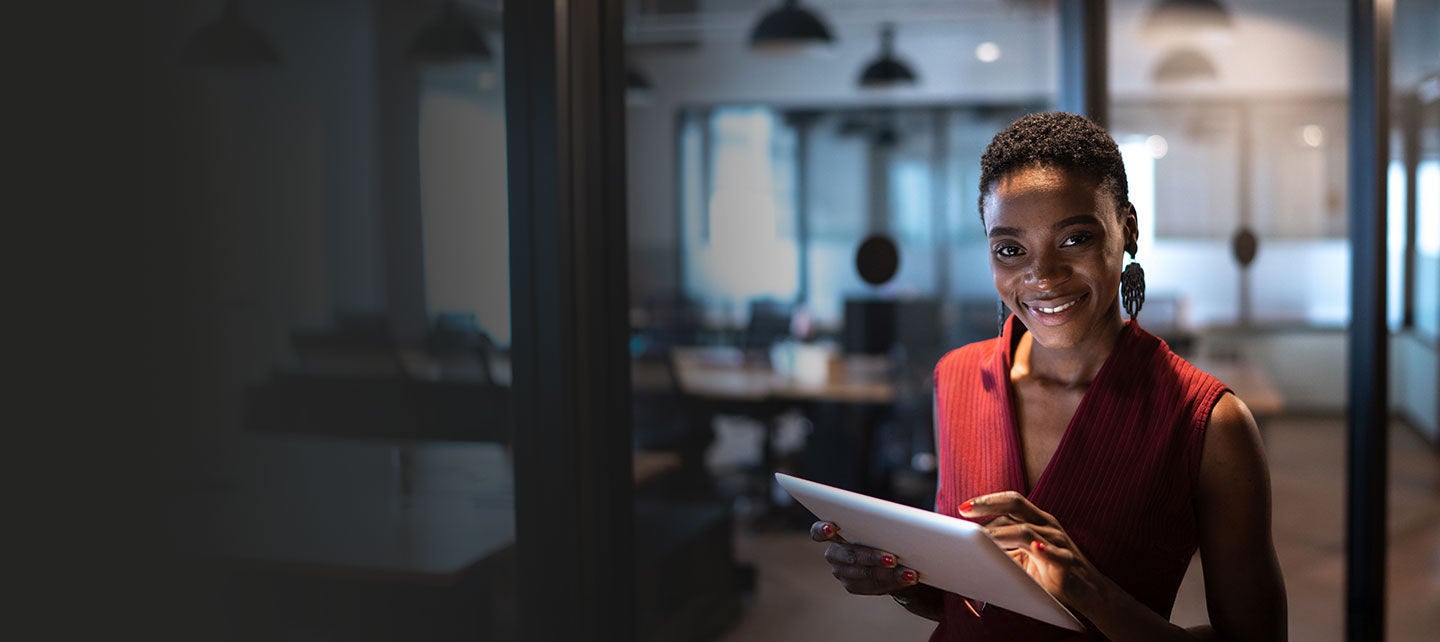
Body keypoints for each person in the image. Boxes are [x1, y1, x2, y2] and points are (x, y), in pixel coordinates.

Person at [810, 112, 1287, 641]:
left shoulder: (1211, 424)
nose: (1042, 276)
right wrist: (900, 579)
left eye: (1075, 238)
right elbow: (978, 609)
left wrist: (1088, 590)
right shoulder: (957, 377)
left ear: (1127, 227)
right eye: (1010, 249)